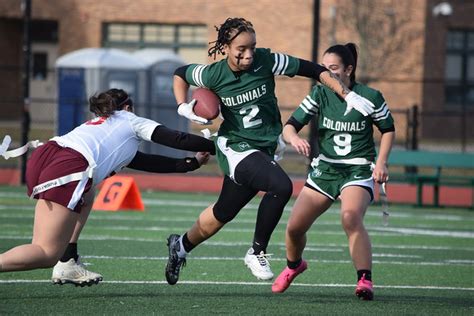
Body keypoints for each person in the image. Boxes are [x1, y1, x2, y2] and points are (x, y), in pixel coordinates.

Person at [166, 17, 377, 285]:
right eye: (241, 49)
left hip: (263, 148)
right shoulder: (212, 74)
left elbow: (314, 70)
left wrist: (346, 93)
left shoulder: (266, 60)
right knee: (281, 186)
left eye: (252, 47)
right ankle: (257, 251)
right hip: (236, 147)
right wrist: (182, 106)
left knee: (223, 212)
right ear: (225, 48)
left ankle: (180, 246)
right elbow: (180, 72)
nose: (249, 54)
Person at [0, 88, 215, 286]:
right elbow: (178, 139)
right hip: (69, 166)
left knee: (89, 193)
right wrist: (217, 145)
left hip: (48, 155)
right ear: (128, 107)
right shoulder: (130, 119)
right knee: (46, 253)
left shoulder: (101, 127)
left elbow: (150, 162)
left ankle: (68, 261)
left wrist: (192, 163)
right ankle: (59, 260)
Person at [271, 43, 395, 300]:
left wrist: (382, 162)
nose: (326, 74)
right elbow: (290, 126)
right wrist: (294, 138)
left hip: (357, 170)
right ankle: (295, 266)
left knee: (350, 217)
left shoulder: (370, 96)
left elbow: (388, 129)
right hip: (325, 169)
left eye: (333, 68)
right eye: (323, 68)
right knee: (294, 228)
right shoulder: (320, 93)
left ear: (349, 69)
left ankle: (364, 280)